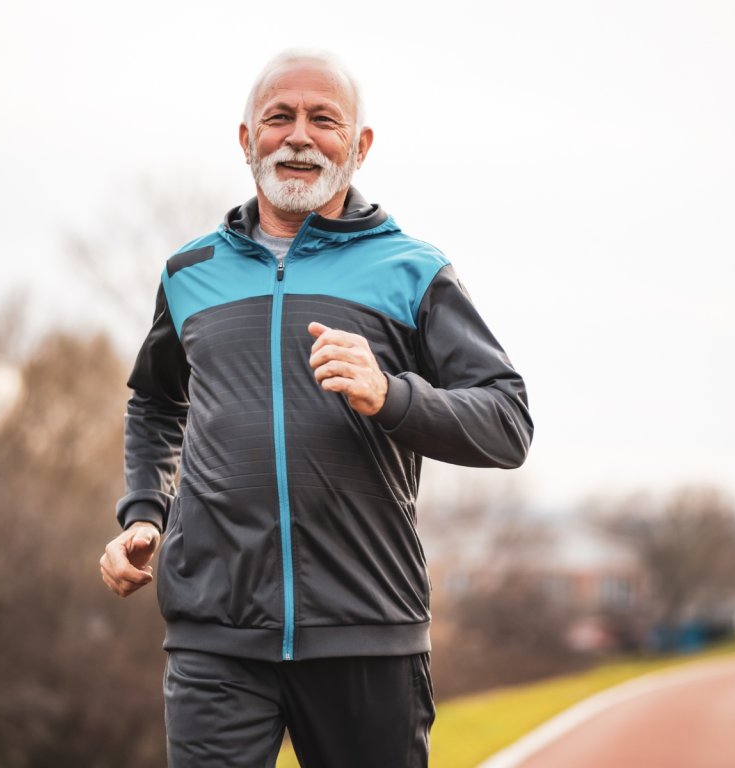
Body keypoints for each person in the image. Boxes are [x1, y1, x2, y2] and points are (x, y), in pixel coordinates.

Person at [99, 48, 533, 768]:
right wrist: (145, 511)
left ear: (359, 147)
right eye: (279, 117)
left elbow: (508, 422)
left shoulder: (413, 270)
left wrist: (389, 395)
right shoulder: (189, 274)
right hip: (215, 636)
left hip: (367, 633)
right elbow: (154, 400)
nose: (299, 136)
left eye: (323, 120)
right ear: (247, 141)